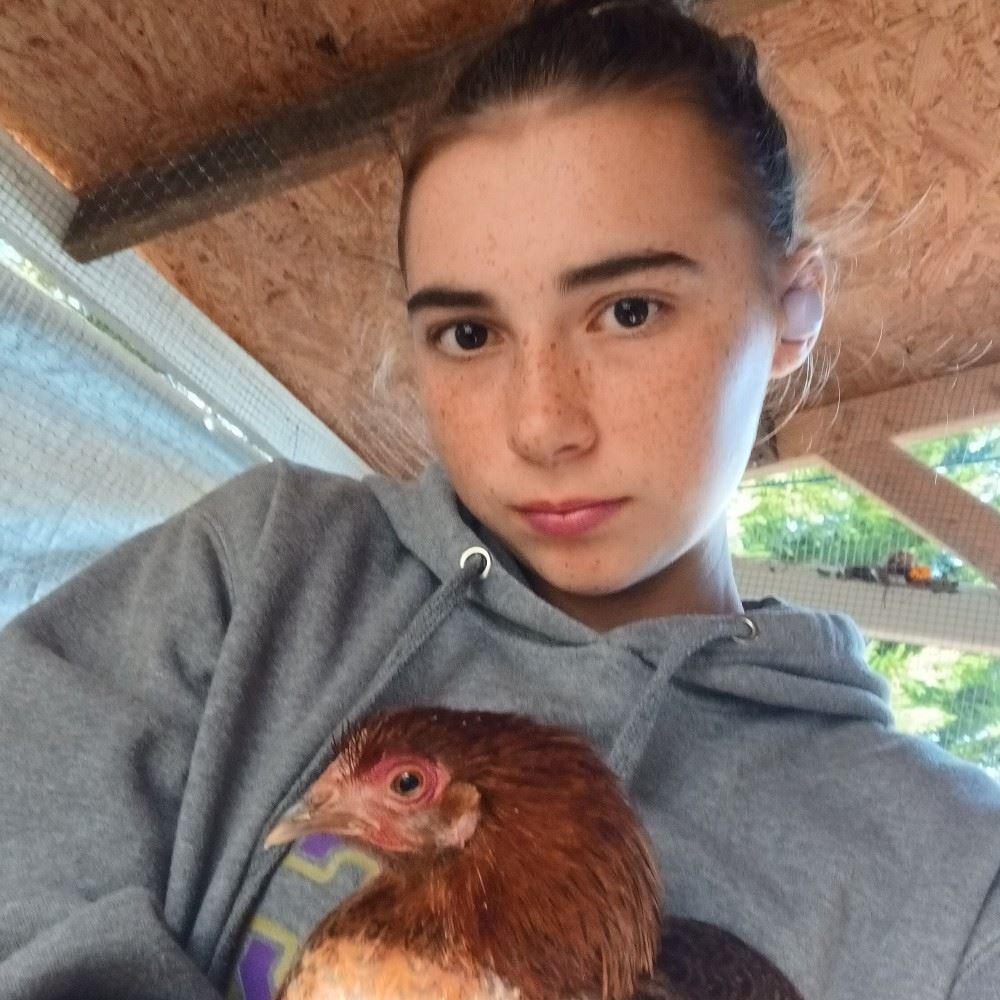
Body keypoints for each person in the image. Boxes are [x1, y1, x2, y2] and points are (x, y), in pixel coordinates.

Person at [1, 1, 997, 998]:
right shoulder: (265, 573)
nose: (542, 424)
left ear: (792, 308)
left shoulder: (956, 881)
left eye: (628, 311)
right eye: (470, 335)